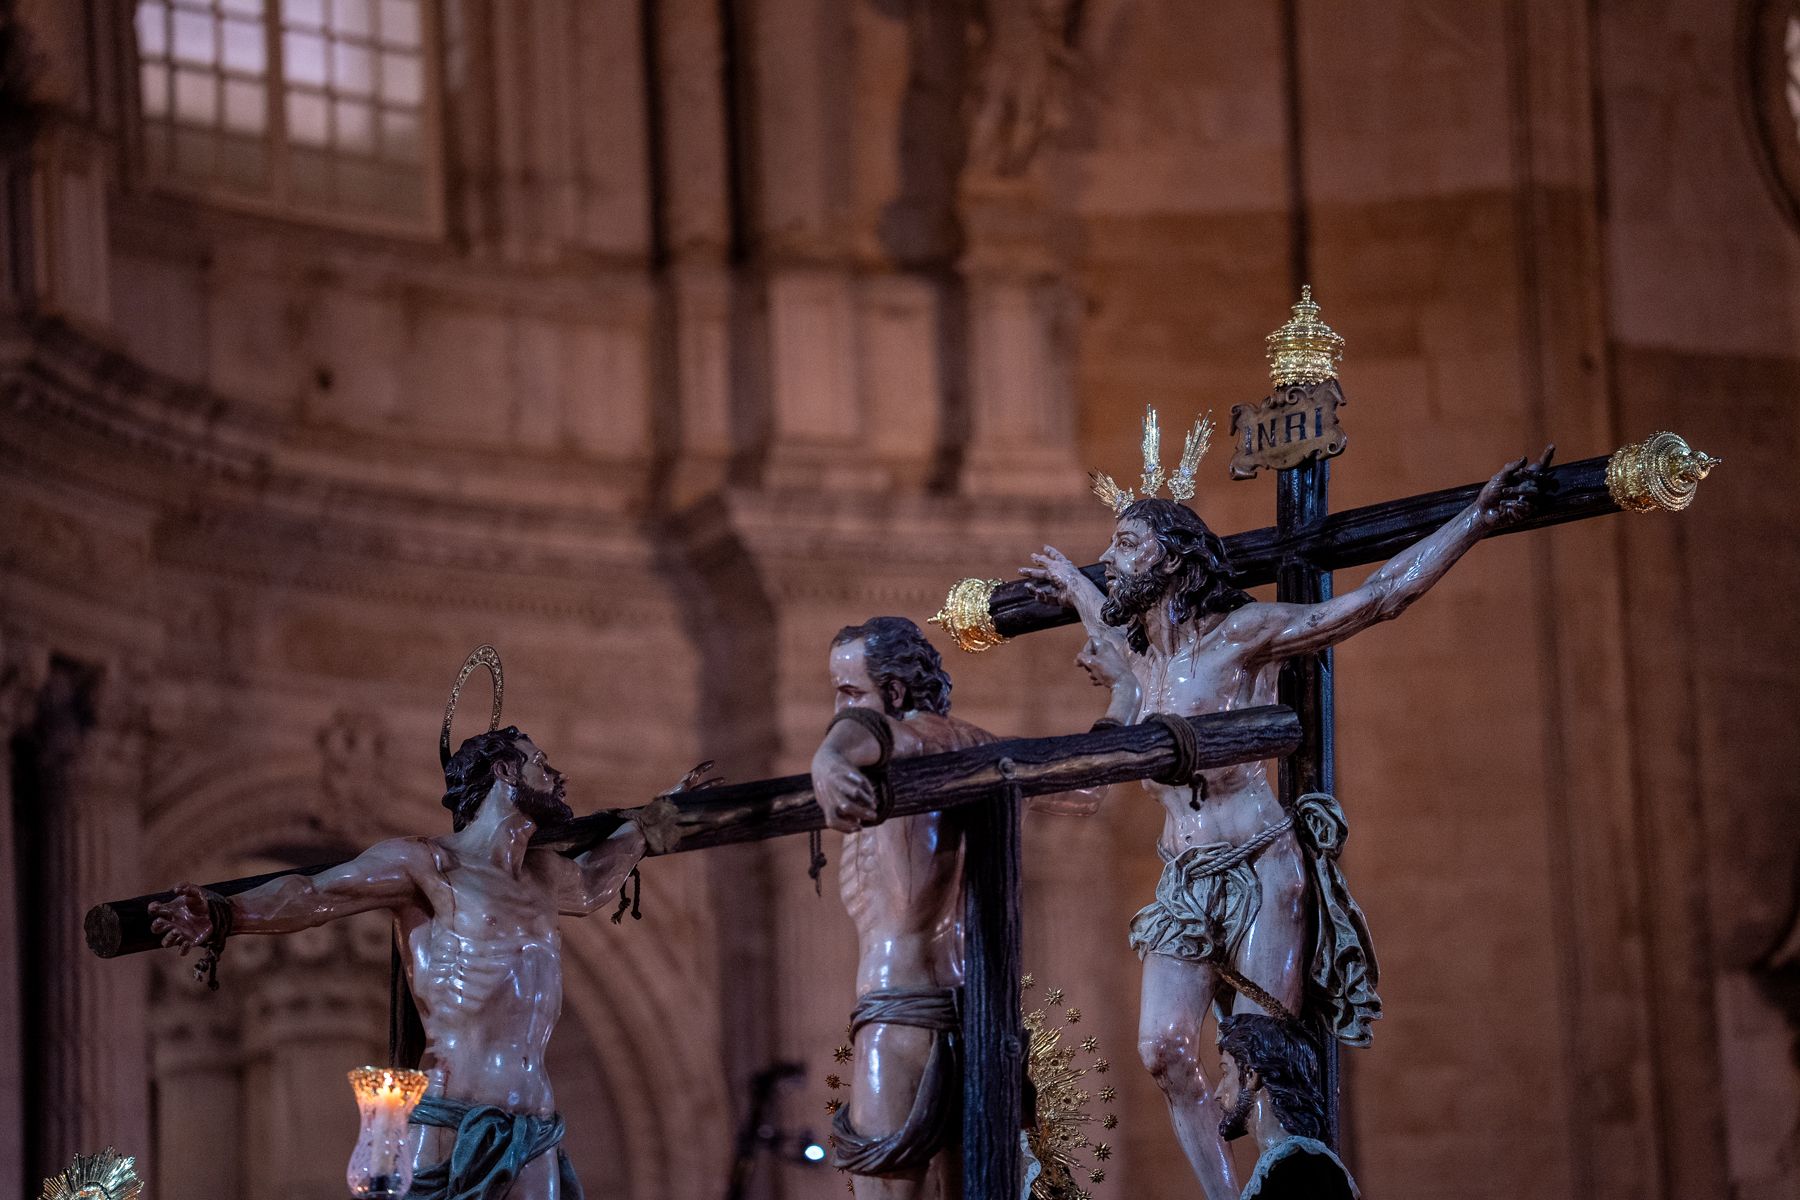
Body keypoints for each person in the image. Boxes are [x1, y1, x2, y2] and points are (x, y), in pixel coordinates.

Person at [1020, 447, 1552, 1199]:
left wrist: (1476, 520)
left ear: (1174, 561)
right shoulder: (1137, 666)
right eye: (1109, 550)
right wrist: (1076, 584)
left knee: (1262, 1053)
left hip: (1259, 867)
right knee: (1164, 1050)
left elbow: (1374, 600)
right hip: (1182, 880)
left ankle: (1286, 1188)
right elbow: (1104, 625)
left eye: (1128, 545)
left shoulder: (1243, 636)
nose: (1111, 560)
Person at [150, 726, 656, 1200]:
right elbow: (315, 894)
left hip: (535, 1125)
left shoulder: (546, 873)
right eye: (540, 764)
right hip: (454, 1118)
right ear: (504, 773)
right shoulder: (430, 864)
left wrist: (650, 824)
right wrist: (226, 913)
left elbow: (594, 885)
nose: (556, 777)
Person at [809, 616, 1137, 1200]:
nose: (839, 706)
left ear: (896, 692)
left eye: (849, 691)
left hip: (900, 1020)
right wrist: (1126, 693)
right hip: (982, 1026)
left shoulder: (902, 742)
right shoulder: (988, 750)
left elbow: (865, 734)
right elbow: (1088, 785)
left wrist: (828, 762)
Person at [1214, 1014, 1358, 1200]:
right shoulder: (1286, 1166)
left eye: (1225, 1073)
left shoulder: (1301, 1168)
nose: (1217, 1093)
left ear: (1250, 1075)